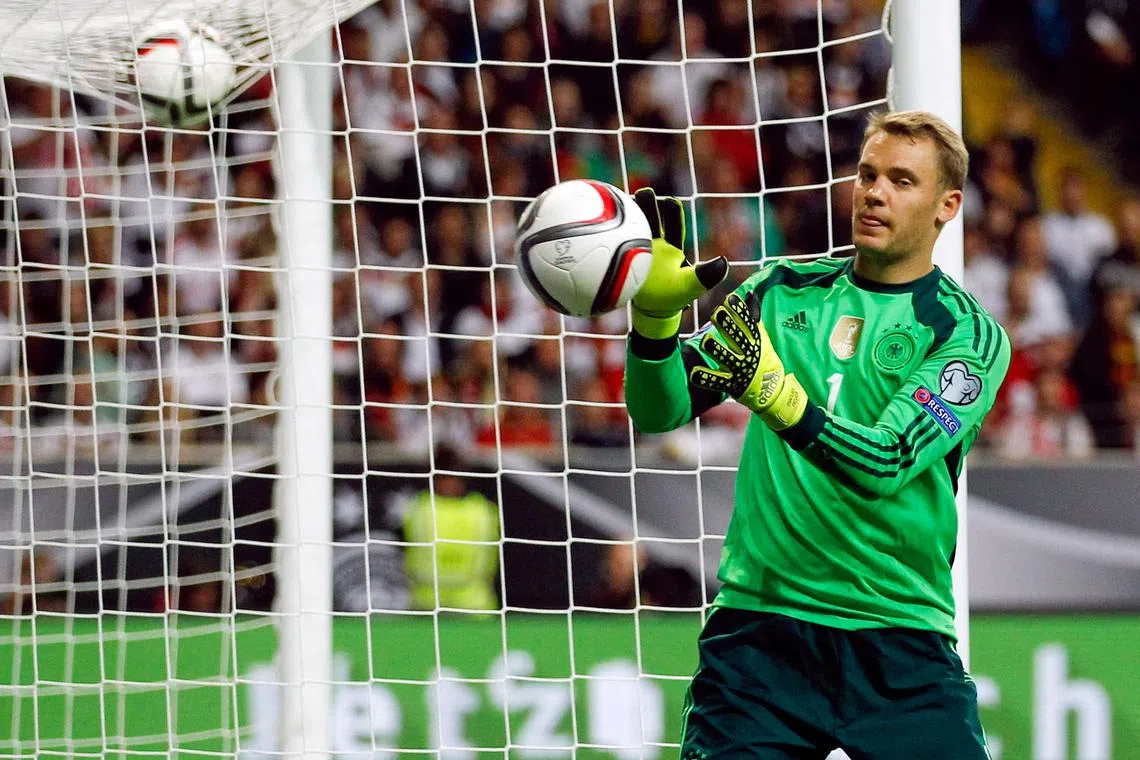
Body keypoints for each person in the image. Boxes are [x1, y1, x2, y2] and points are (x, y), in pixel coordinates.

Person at [623, 110, 1010, 758]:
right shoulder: (780, 293)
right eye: (867, 174)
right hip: (760, 641)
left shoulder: (964, 336)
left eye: (902, 180)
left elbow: (884, 460)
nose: (876, 192)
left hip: (898, 644)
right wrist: (655, 322)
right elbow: (659, 409)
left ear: (948, 205)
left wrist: (777, 396)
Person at [403, 445, 500, 611]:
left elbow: (489, 559)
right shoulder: (420, 507)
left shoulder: (482, 510)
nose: (448, 484)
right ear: (433, 479)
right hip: (428, 602)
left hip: (473, 604)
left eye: (452, 477)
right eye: (443, 478)